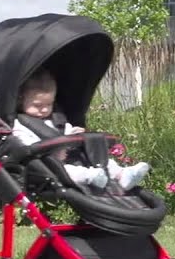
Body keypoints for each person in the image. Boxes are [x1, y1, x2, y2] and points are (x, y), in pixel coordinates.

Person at [11, 69, 150, 190]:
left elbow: (65, 131)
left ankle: (121, 174)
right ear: (20, 100)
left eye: (49, 104)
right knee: (69, 171)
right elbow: (27, 147)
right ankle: (91, 177)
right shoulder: (20, 125)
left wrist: (75, 134)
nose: (45, 109)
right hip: (47, 165)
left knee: (96, 155)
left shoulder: (55, 119)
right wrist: (54, 151)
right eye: (38, 105)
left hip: (70, 154)